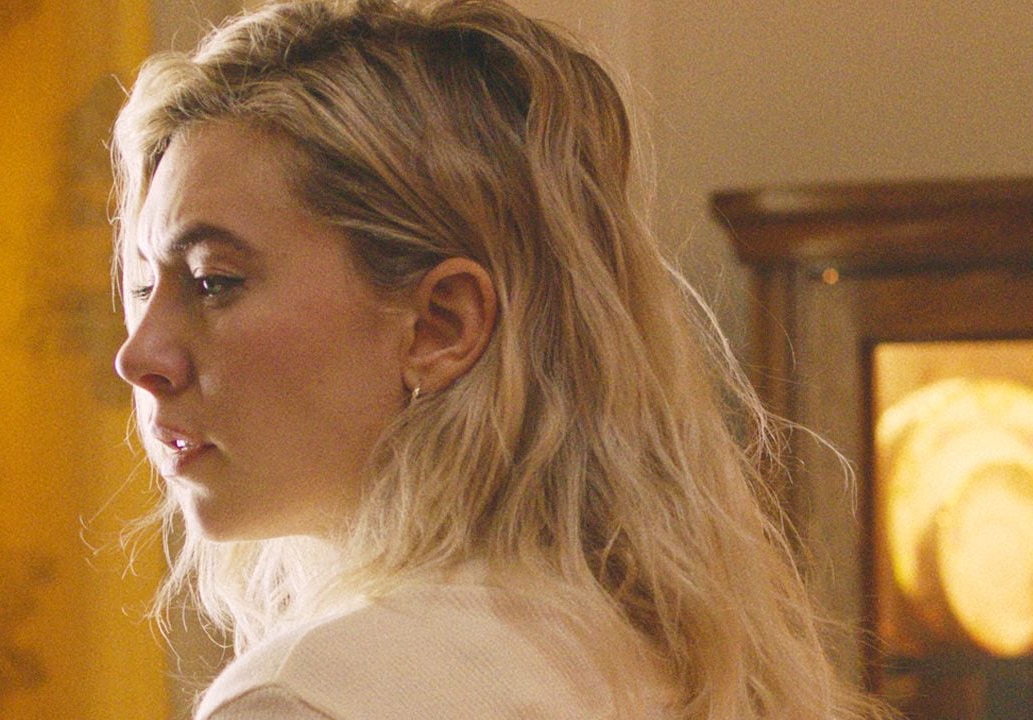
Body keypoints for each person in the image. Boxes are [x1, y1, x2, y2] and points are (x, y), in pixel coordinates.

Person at [111, 1, 888, 718]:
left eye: (213, 281)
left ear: (440, 325)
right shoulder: (667, 664)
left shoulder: (309, 697)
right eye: (144, 286)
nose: (139, 356)